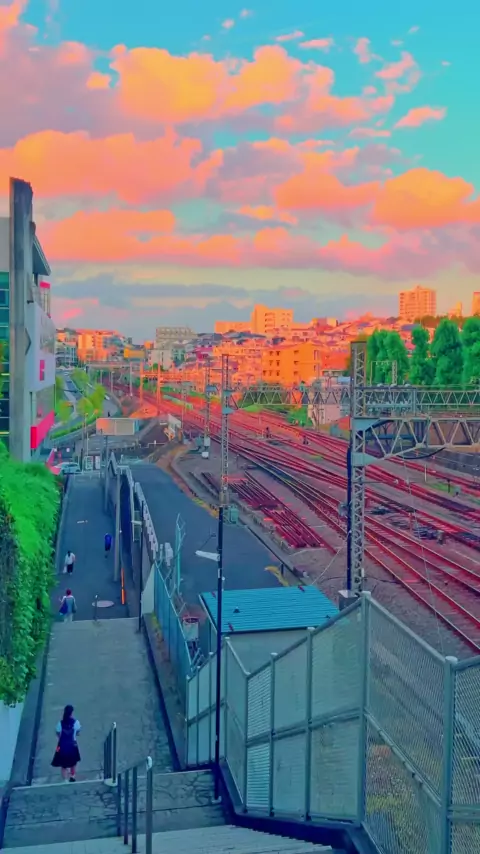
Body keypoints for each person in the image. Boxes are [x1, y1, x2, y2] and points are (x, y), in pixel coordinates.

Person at [51, 704, 81, 782]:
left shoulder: (60, 723)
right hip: (73, 746)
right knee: (73, 763)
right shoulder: (76, 722)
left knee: (63, 765)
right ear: (71, 713)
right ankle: (72, 776)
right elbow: (78, 732)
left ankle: (65, 780)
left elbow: (58, 733)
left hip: (62, 746)